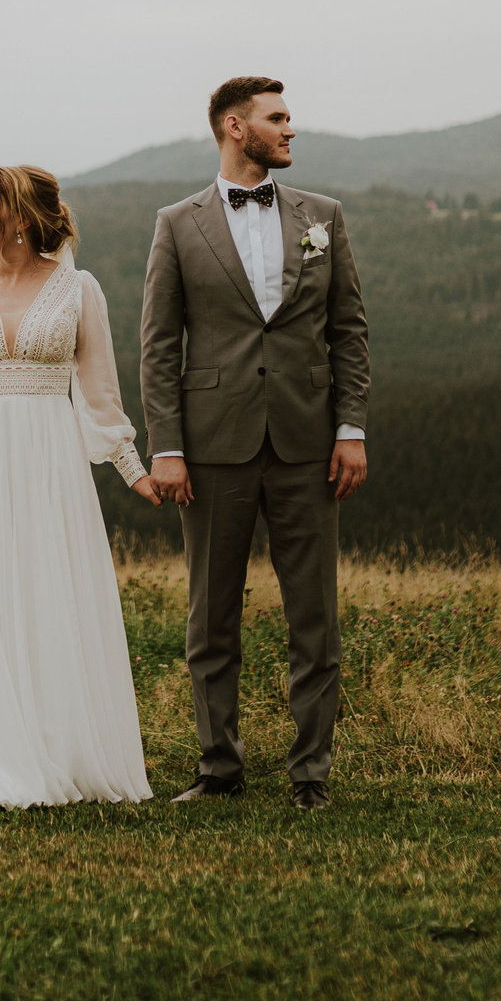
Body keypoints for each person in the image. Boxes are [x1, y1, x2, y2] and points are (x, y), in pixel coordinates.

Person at [0, 165, 164, 811]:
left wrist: (135, 471)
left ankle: (57, 744)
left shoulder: (80, 290)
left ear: (17, 215)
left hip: (51, 461)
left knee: (49, 589)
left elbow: (99, 395)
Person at [139, 77, 370, 812]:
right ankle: (219, 768)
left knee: (316, 617)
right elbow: (157, 347)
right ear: (236, 127)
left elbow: (349, 332)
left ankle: (311, 775)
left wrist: (351, 429)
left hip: (308, 442)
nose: (290, 129)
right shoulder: (177, 224)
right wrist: (166, 445)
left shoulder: (323, 215)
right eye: (278, 118)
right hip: (211, 448)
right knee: (211, 617)